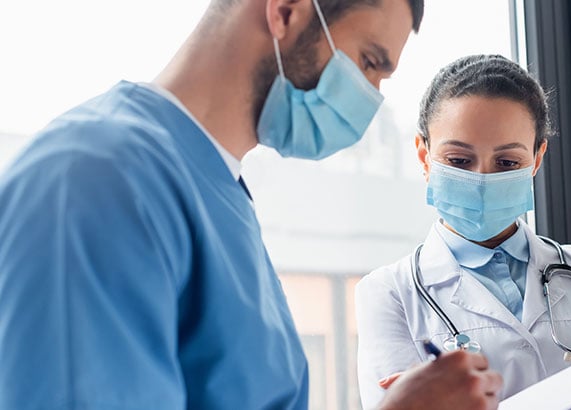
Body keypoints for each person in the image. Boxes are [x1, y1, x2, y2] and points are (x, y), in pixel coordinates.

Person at [0, 1, 503, 409]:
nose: (370, 101)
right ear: (285, 11)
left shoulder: (218, 189)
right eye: (370, 62)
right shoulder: (94, 181)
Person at [355, 54, 571, 409]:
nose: (482, 178)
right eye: (459, 160)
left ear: (536, 158)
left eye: (507, 162)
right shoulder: (388, 293)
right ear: (425, 156)